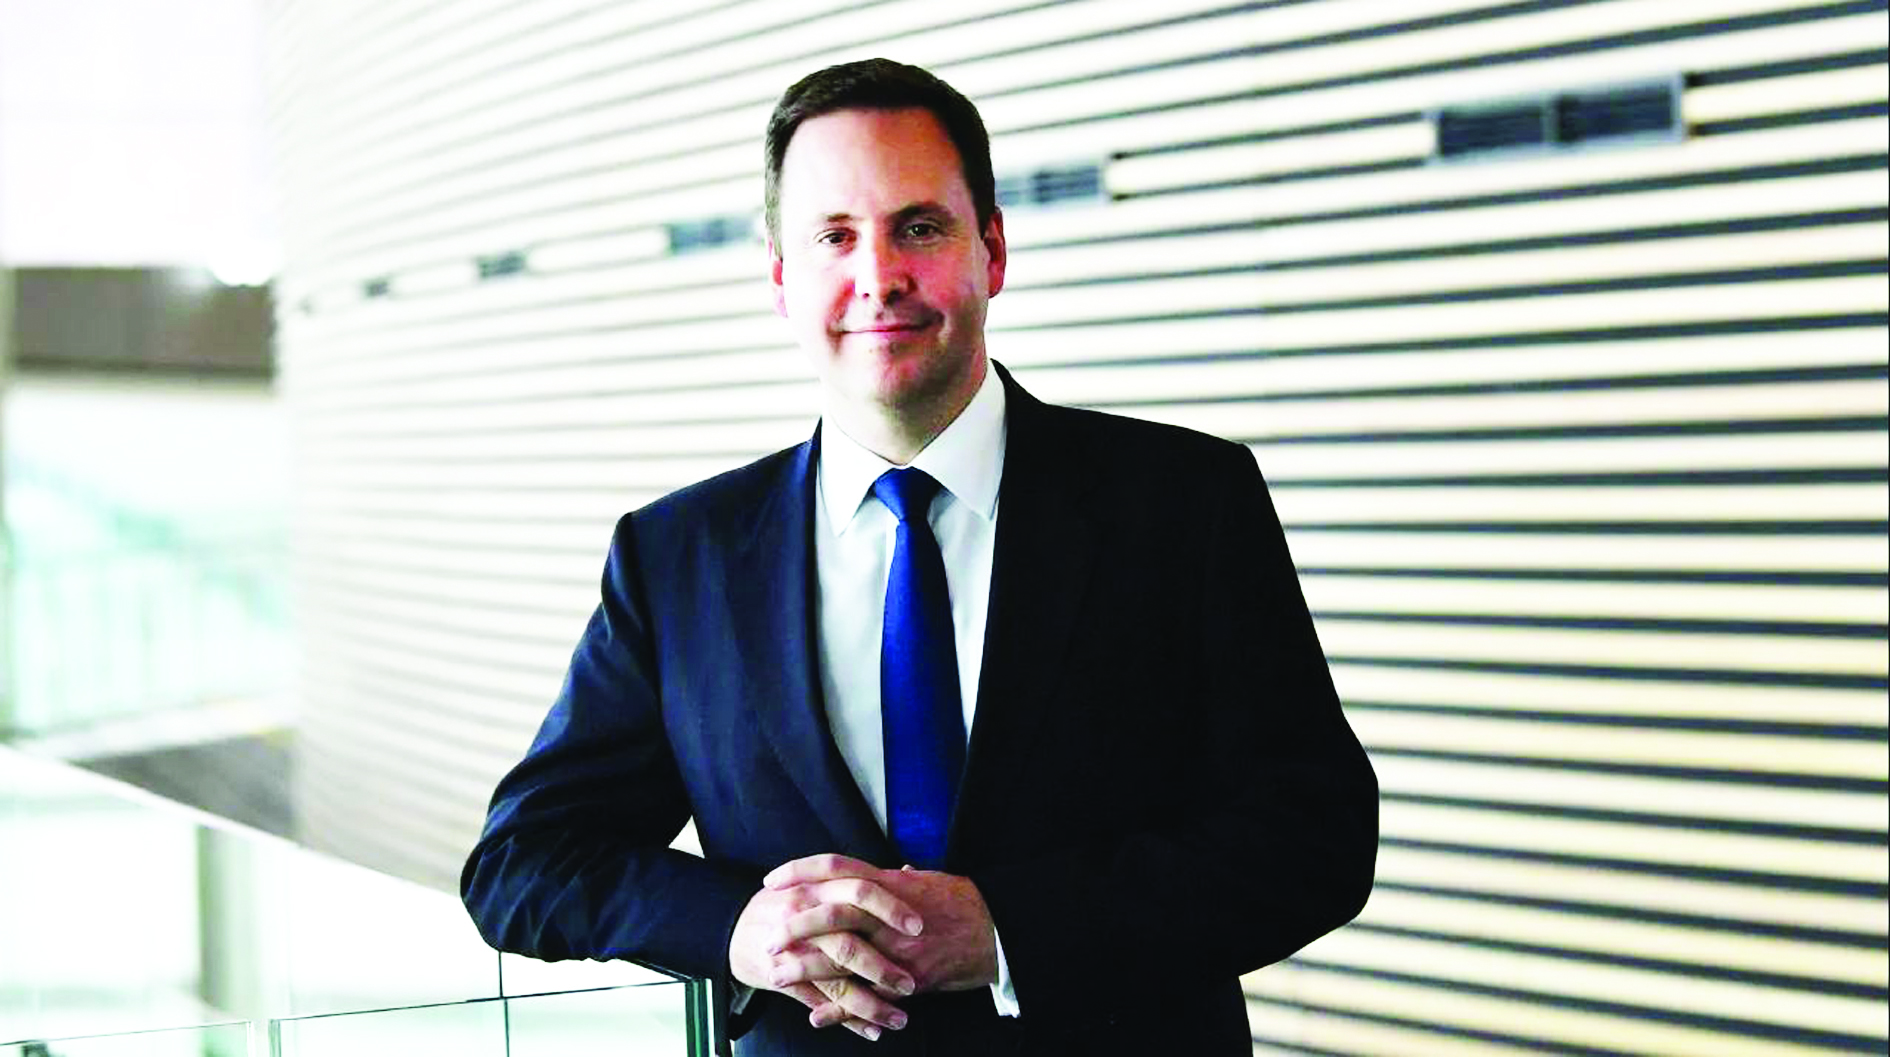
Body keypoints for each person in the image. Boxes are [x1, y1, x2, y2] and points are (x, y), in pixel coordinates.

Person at [461, 58, 1378, 1056]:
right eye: (834, 237)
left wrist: (1008, 929)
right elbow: (524, 860)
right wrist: (741, 927)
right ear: (782, 278)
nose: (878, 276)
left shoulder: (1183, 502)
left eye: (920, 227)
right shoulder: (680, 554)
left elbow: (1314, 836)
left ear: (992, 249)